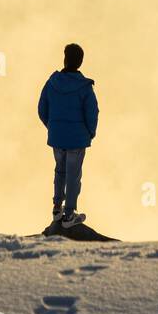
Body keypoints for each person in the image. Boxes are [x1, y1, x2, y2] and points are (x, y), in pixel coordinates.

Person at [37, 43, 98, 228]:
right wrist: (90, 133)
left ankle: (57, 208)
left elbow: (42, 109)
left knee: (60, 171)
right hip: (77, 139)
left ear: (65, 58)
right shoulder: (85, 87)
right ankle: (69, 215)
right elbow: (92, 113)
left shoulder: (51, 83)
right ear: (80, 62)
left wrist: (53, 127)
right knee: (73, 175)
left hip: (57, 137)